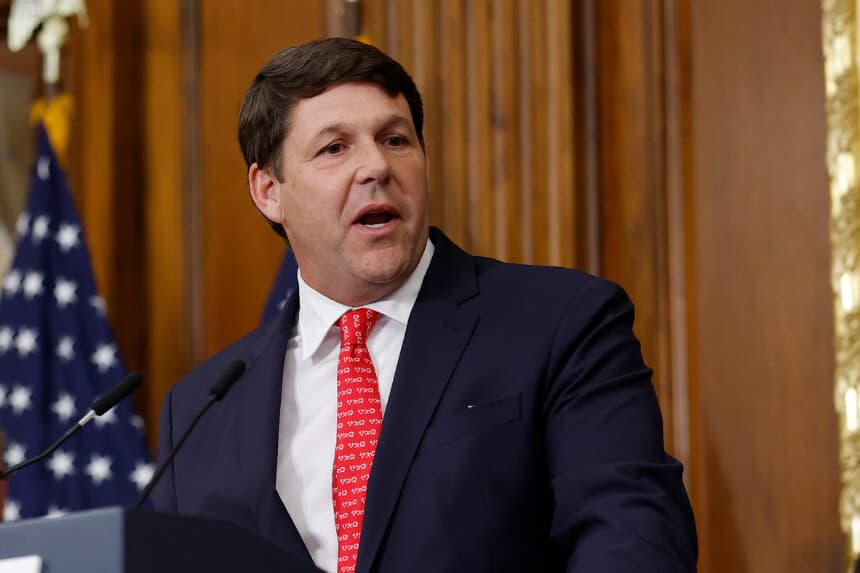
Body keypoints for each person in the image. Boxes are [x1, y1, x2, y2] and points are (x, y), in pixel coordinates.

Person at [152, 37, 697, 573]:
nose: (376, 168)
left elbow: (634, 541)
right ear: (269, 190)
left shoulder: (561, 322)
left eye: (394, 139)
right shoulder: (201, 409)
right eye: (335, 148)